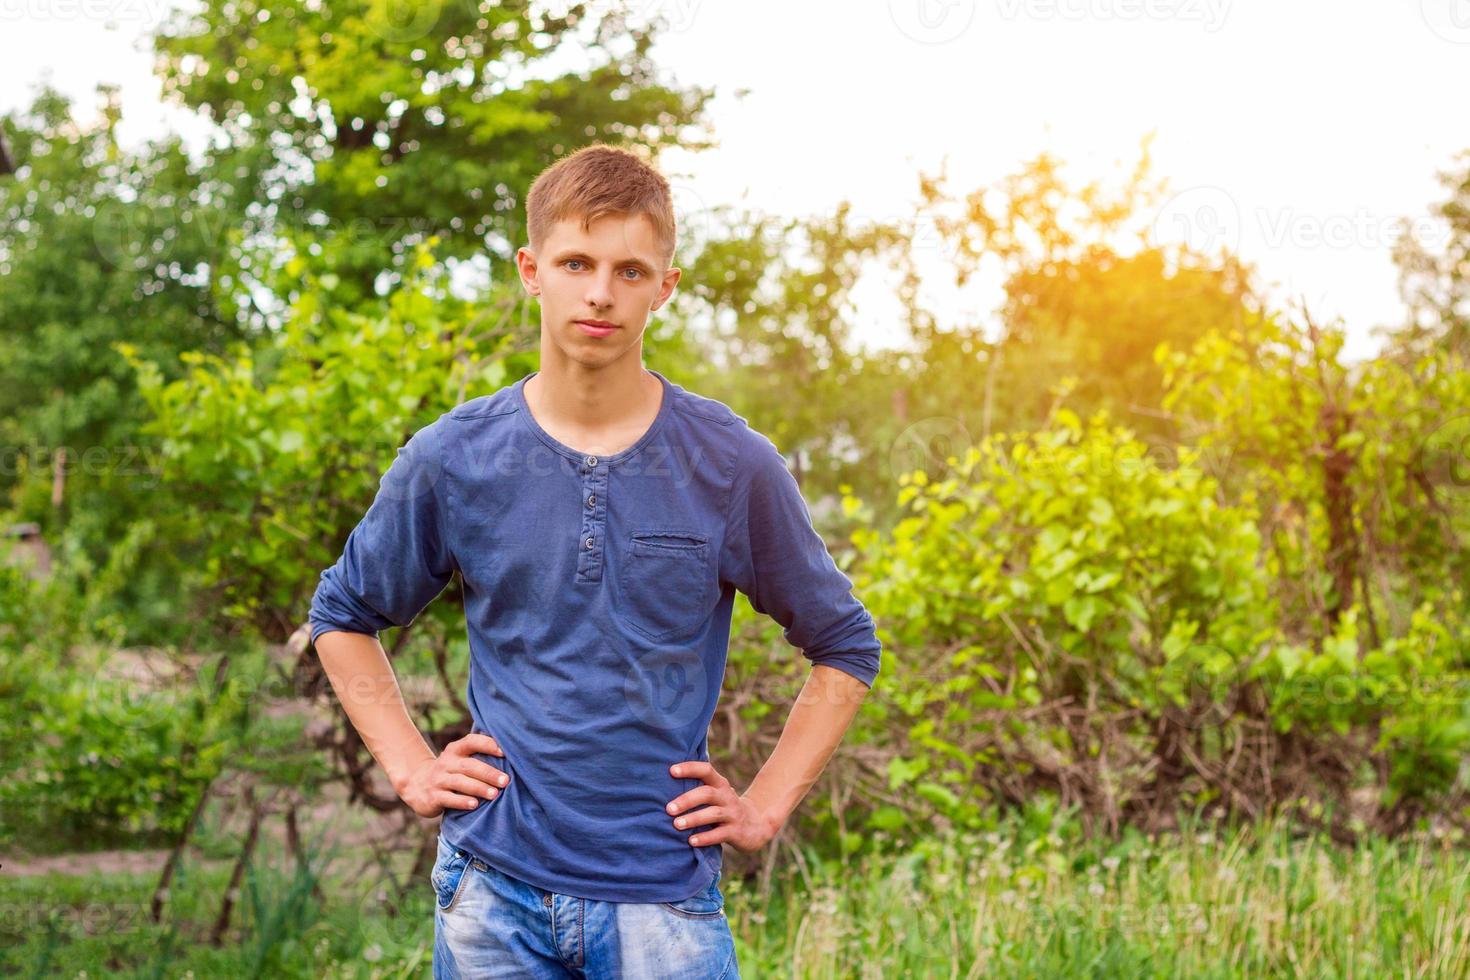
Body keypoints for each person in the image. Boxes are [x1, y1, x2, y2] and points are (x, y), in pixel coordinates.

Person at [308, 143, 883, 979]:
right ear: (532, 270)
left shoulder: (729, 464)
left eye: (631, 270)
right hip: (491, 894)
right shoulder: (455, 457)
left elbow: (846, 646)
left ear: (667, 287)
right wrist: (411, 767)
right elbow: (342, 617)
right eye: (577, 262)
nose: (601, 292)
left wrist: (761, 809)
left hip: (663, 904)